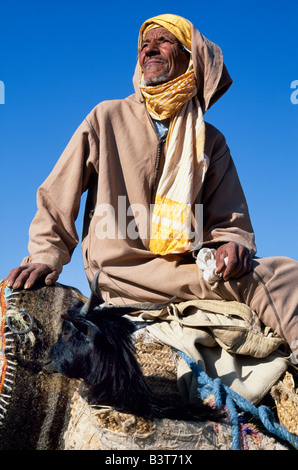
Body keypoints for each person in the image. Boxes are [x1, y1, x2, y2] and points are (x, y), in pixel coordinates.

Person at [6, 14, 298, 355]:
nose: (150, 50)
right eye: (144, 45)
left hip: (183, 267)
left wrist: (232, 245)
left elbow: (230, 221)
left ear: (191, 57)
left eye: (164, 41)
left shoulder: (210, 141)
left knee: (270, 271)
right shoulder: (107, 117)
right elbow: (57, 196)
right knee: (281, 276)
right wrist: (45, 256)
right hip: (122, 271)